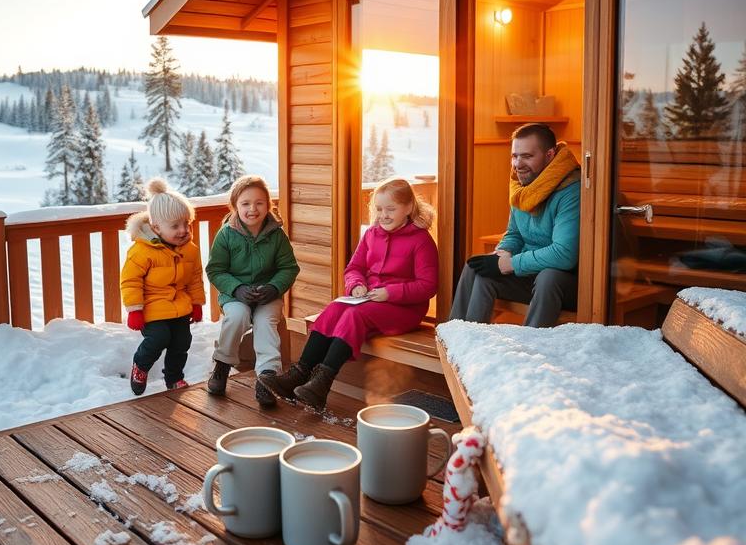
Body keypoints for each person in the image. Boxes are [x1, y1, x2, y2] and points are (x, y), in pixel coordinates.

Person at [260, 177, 438, 411]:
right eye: (379, 209)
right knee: (335, 307)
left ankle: (322, 384)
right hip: (370, 299)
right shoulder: (372, 234)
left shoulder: (421, 240)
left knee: (355, 315)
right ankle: (299, 374)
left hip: (404, 309)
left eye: (390, 209)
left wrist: (389, 293)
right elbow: (354, 268)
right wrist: (356, 285)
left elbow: (428, 285)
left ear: (408, 208)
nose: (383, 215)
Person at [449, 122, 580, 327]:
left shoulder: (571, 190)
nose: (518, 164)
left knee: (548, 277)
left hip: (568, 281)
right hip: (530, 270)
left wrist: (509, 264)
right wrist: (503, 252)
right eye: (514, 156)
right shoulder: (522, 186)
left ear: (549, 155)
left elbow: (564, 254)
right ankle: (458, 338)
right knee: (478, 269)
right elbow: (514, 233)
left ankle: (530, 343)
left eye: (527, 156)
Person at [205, 175, 300, 405]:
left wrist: (274, 287)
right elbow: (215, 270)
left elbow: (288, 267)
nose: (252, 209)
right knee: (237, 316)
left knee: (266, 321)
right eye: (245, 203)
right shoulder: (226, 234)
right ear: (235, 206)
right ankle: (222, 365)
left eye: (259, 203)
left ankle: (268, 378)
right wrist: (236, 289)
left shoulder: (276, 235)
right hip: (236, 294)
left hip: (267, 294)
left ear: (268, 205)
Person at [121, 177, 205, 395]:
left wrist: (196, 303)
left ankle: (174, 378)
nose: (183, 230)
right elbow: (130, 281)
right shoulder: (141, 251)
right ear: (156, 227)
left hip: (180, 306)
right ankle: (140, 366)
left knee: (182, 341)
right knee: (159, 338)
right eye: (175, 226)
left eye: (186, 223)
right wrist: (135, 310)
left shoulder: (190, 250)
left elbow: (195, 278)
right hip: (152, 307)